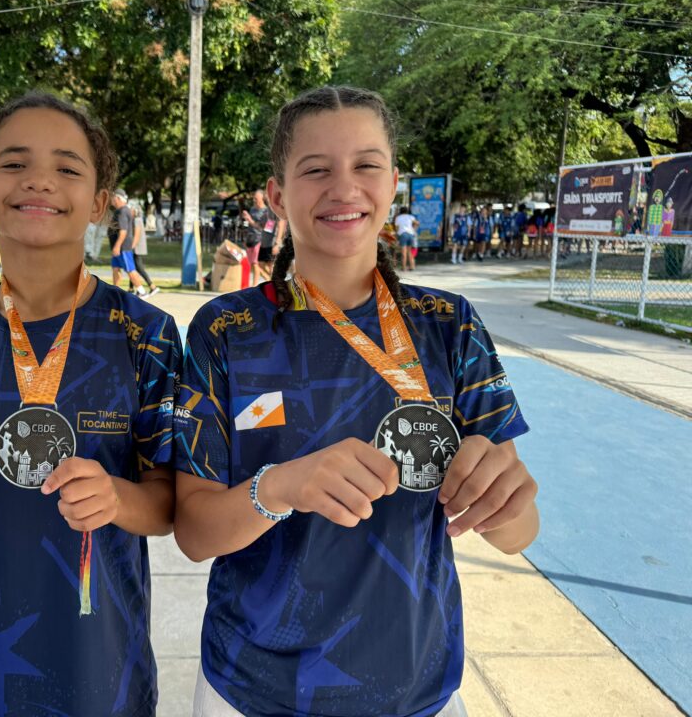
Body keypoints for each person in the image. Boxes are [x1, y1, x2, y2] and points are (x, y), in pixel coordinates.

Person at [173, 86, 538, 717]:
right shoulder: (226, 328)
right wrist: (281, 486)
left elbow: (517, 532)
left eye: (366, 165)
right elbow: (195, 533)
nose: (345, 188)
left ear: (393, 182)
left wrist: (503, 499)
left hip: (416, 688)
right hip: (254, 690)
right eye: (316, 169)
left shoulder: (447, 324)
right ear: (277, 195)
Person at [0, 92, 179, 717]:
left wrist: (117, 498)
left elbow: (169, 505)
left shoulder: (145, 334)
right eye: (14, 164)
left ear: (99, 202)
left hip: (101, 669)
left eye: (68, 168)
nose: (40, 180)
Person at [108, 189, 146, 295]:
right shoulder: (119, 211)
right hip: (118, 247)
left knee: (130, 269)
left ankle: (142, 291)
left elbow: (123, 231)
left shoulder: (123, 211)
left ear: (118, 198)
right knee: (115, 269)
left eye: (113, 198)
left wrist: (117, 246)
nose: (111, 200)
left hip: (122, 247)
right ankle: (115, 292)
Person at [129, 198, 160, 297]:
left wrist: (131, 247)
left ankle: (152, 286)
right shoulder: (136, 220)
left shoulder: (137, 220)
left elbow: (137, 235)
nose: (129, 211)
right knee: (132, 268)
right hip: (136, 248)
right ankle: (132, 288)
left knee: (139, 268)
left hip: (137, 249)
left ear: (134, 210)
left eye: (131, 209)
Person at [393, 205, 419, 270]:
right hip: (410, 235)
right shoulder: (411, 217)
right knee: (409, 251)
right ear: (407, 211)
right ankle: (412, 266)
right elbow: (417, 223)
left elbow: (396, 227)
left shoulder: (398, 217)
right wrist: (414, 229)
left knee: (403, 253)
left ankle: (403, 267)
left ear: (400, 211)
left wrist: (396, 233)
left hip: (403, 234)